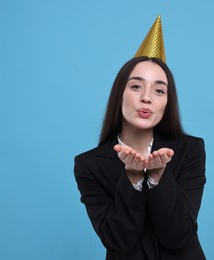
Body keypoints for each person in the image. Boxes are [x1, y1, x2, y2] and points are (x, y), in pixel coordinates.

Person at [74, 16, 206, 260]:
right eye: (136, 86)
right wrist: (132, 179)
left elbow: (179, 236)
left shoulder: (190, 150)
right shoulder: (89, 165)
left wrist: (158, 178)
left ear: (167, 102)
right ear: (119, 93)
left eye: (159, 90)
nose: (147, 98)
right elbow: (118, 242)